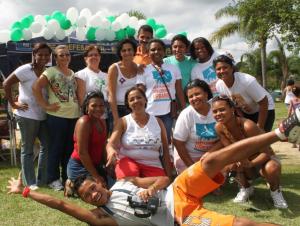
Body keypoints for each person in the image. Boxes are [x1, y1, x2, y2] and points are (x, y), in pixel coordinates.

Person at [8, 107, 300, 226]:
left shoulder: (123, 183)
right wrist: (26, 192)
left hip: (178, 190)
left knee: (208, 160)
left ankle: (280, 132)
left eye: (92, 189)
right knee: (242, 224)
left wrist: (151, 189)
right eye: (88, 197)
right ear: (90, 203)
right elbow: (62, 207)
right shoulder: (104, 218)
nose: (94, 195)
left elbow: (161, 179)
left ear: (99, 184)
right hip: (179, 215)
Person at [211, 95, 288, 208]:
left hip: (263, 160)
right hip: (244, 161)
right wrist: (234, 162)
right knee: (228, 163)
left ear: (232, 110)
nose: (218, 114)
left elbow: (266, 153)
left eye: (222, 109)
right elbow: (230, 152)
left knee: (272, 168)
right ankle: (246, 188)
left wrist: (250, 163)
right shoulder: (219, 128)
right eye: (215, 111)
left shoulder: (248, 126)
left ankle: (275, 192)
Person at [3, 43, 51, 190]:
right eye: (40, 54)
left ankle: (42, 179)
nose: (43, 57)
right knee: (27, 148)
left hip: (43, 114)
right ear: (34, 55)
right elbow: (6, 83)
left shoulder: (48, 71)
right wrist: (14, 104)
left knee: (47, 146)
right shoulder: (25, 69)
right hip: (27, 115)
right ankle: (30, 182)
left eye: (46, 54)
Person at [33, 45, 80, 191]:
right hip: (57, 117)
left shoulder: (72, 72)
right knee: (56, 148)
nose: (65, 57)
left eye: (67, 54)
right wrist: (45, 105)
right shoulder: (50, 71)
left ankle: (66, 177)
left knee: (69, 149)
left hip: (73, 116)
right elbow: (36, 87)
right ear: (56, 57)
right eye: (61, 55)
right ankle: (52, 179)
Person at [106, 86, 172, 189]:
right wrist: (111, 151)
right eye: (131, 99)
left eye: (139, 97)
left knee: (160, 189)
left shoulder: (158, 122)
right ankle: (135, 184)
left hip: (152, 164)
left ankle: (133, 183)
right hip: (128, 162)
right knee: (128, 187)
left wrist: (168, 178)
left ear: (145, 99)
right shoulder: (123, 121)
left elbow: (165, 152)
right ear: (128, 104)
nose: (136, 101)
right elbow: (111, 143)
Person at [137, 39, 186, 141]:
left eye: (159, 49)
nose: (156, 52)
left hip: (168, 113)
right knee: (150, 140)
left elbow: (179, 90)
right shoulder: (143, 70)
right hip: (149, 112)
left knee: (165, 141)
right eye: (153, 49)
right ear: (148, 52)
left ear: (164, 51)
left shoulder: (174, 68)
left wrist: (183, 109)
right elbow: (140, 92)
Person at [214, 54, 275, 132]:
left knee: (260, 137)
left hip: (265, 109)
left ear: (232, 68)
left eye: (225, 67)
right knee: (248, 138)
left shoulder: (247, 81)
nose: (222, 71)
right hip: (246, 112)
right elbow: (233, 105)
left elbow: (264, 102)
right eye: (218, 69)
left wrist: (260, 127)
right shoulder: (219, 86)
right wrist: (242, 120)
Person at [173, 79, 221, 174]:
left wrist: (210, 153)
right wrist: (193, 168)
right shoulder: (186, 114)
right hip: (188, 156)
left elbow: (225, 137)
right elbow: (178, 143)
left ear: (206, 94)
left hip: (212, 154)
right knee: (196, 182)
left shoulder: (217, 108)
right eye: (190, 96)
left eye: (197, 94)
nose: (194, 98)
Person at [66, 91, 108, 196]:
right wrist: (97, 177)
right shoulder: (83, 122)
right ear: (86, 107)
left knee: (112, 183)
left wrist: (107, 166)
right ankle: (71, 184)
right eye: (94, 105)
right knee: (99, 190)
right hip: (79, 166)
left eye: (101, 105)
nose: (98, 108)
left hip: (95, 165)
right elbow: (82, 153)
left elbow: (103, 147)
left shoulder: (102, 122)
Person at [107, 38, 138, 129]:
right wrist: (116, 117)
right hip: (117, 108)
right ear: (120, 53)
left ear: (134, 51)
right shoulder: (114, 68)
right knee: (116, 139)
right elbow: (111, 94)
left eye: (129, 50)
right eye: (124, 50)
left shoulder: (138, 67)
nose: (127, 52)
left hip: (134, 108)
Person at [288, 86, 300, 150]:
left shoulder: (292, 100)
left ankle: (294, 144)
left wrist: (288, 117)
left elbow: (290, 110)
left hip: (294, 116)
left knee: (294, 130)